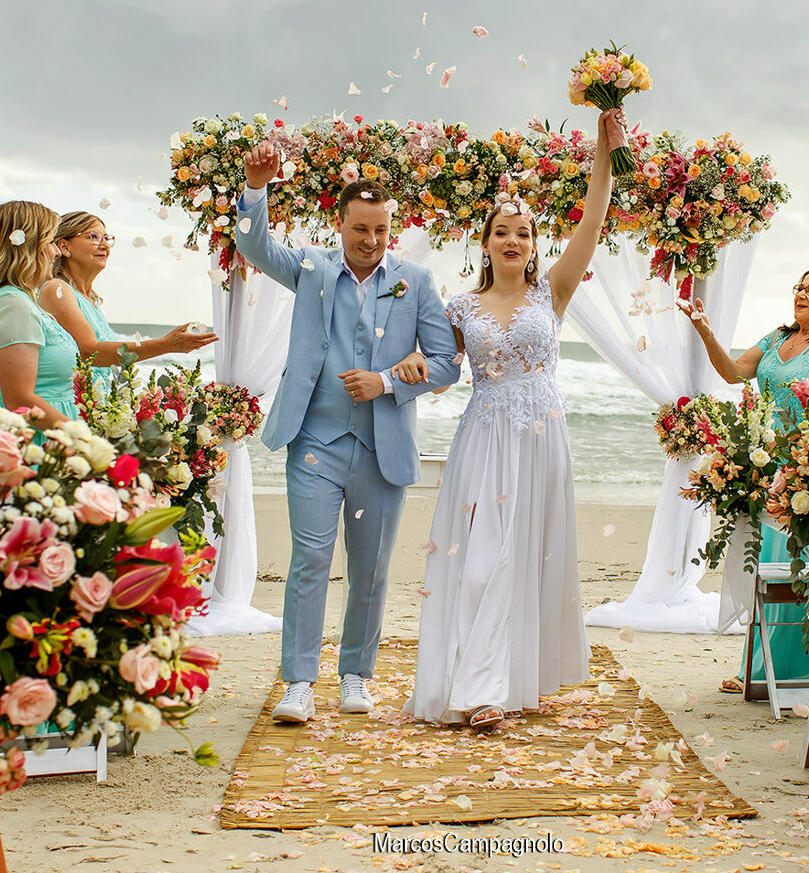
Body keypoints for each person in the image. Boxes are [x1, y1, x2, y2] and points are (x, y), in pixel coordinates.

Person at [402, 109, 620, 729]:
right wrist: (407, 364)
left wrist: (604, 153)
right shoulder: (461, 305)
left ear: (534, 245)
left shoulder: (553, 291)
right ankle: (480, 686)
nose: (513, 242)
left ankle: (500, 682)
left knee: (527, 552)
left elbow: (593, 219)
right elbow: (437, 363)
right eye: (502, 232)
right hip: (484, 434)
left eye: (524, 233)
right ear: (486, 242)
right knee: (481, 555)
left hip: (541, 434)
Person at [234, 143, 461, 725]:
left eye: (381, 230)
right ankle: (298, 682)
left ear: (393, 229)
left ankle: (357, 674)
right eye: (360, 228)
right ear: (340, 225)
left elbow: (445, 363)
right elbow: (254, 246)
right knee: (310, 559)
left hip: (382, 449)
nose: (370, 240)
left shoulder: (417, 280)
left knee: (371, 567)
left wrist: (387, 381)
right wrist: (255, 192)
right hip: (315, 440)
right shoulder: (311, 268)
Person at [679, 265, 809, 694]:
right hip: (764, 465)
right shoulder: (776, 338)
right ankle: (755, 667)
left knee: (795, 566)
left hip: (802, 472)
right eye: (799, 286)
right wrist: (705, 332)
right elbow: (735, 372)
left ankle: (795, 667)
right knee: (762, 567)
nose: (801, 293)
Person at [38, 211, 217, 391]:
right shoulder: (57, 289)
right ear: (64, 247)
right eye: (93, 237)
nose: (104, 245)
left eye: (106, 238)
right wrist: (166, 344)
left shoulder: (89, 300)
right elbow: (89, 352)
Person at [0, 201, 79, 426]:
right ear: (28, 247)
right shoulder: (11, 304)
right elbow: (18, 400)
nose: (55, 252)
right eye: (50, 242)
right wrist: (83, 441)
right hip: (31, 443)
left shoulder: (18, 301)